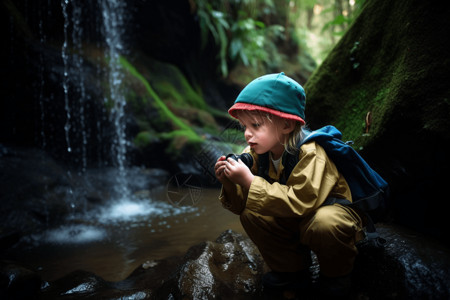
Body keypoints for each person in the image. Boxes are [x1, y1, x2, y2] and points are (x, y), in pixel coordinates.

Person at [214, 73, 365, 297]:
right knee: (250, 214)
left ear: (286, 124)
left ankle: (336, 276)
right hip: (297, 219)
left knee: (325, 223)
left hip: (325, 213)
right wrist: (229, 183)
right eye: (243, 126)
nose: (247, 134)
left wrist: (249, 180)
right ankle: (292, 271)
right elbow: (239, 206)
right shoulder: (256, 153)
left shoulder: (311, 152)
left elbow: (300, 202)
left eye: (255, 125)